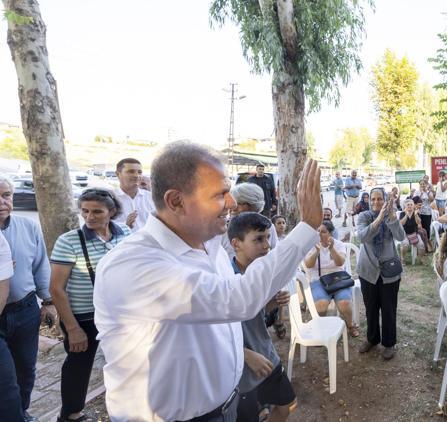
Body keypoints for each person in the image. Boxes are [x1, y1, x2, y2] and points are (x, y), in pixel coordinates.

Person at [92, 142, 323, 421]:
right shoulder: (131, 265)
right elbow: (238, 299)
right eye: (220, 194)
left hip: (226, 406)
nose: (232, 203)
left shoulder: (211, 245)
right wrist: (307, 226)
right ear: (176, 201)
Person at [49, 189, 131, 422]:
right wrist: (73, 328)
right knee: (79, 365)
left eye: (97, 211)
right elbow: (56, 289)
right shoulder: (69, 241)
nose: (89, 217)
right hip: (84, 316)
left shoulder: (124, 231)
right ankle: (70, 414)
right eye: (85, 211)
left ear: (112, 211)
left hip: (119, 314)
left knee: (125, 360)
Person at [227, 213, 296, 422]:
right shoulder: (224, 279)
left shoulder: (261, 273)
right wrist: (245, 354)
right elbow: (210, 332)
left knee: (287, 405)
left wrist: (272, 304)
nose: (267, 245)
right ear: (236, 243)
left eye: (268, 237)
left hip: (266, 355)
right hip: (239, 368)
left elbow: (253, 317)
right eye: (258, 239)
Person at [0, 175, 55, 422]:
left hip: (24, 311)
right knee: (5, 377)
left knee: (25, 370)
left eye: (6, 195)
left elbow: (41, 265)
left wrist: (48, 302)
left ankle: (21, 412)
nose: (2, 202)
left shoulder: (28, 226)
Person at [356, 188, 406, 360]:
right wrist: (379, 219)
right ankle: (372, 339)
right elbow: (362, 237)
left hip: (389, 273)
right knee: (371, 308)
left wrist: (391, 217)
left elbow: (401, 236)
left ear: (385, 200)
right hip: (368, 271)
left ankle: (389, 343)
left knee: (389, 309)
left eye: (380, 199)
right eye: (373, 199)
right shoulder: (364, 216)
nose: (376, 202)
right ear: (369, 200)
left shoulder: (392, 216)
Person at [303, 220, 358, 337]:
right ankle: (319, 326)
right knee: (321, 304)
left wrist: (331, 248)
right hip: (318, 280)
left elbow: (340, 262)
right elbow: (308, 265)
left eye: (323, 232)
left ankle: (350, 325)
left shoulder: (339, 244)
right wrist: (317, 251)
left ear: (330, 233)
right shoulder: (311, 245)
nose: (319, 234)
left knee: (344, 303)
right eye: (317, 232)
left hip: (337, 278)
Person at [224, 183, 279, 258]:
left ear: (253, 206)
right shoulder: (222, 229)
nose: (233, 207)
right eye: (233, 202)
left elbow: (275, 255)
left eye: (239, 203)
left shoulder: (268, 227)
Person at [112, 158, 155, 232]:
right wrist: (125, 226)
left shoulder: (151, 198)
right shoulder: (110, 198)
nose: (136, 175)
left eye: (139, 172)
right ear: (118, 174)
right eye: (131, 171)